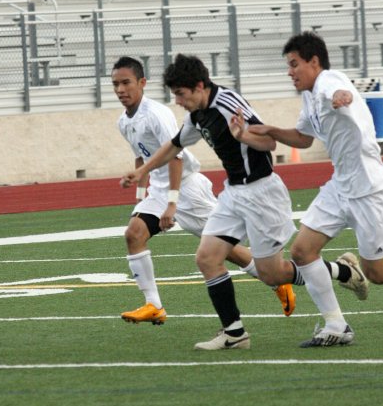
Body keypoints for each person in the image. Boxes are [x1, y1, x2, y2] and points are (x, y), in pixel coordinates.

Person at [120, 53, 365, 349]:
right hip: (234, 193)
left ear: (198, 86)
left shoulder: (227, 103)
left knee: (271, 273)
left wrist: (243, 136)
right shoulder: (197, 115)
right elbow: (174, 145)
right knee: (207, 257)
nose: (179, 102)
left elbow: (269, 143)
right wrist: (142, 171)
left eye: (182, 95)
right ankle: (234, 334)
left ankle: (343, 271)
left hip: (262, 193)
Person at [244, 31, 383, 347]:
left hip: (369, 190)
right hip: (341, 186)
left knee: (379, 273)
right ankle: (336, 325)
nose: (289, 72)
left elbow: (340, 91)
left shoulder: (328, 81)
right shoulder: (309, 96)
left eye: (294, 64)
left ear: (314, 61)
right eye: (288, 65)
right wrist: (269, 131)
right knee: (302, 250)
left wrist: (342, 97)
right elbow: (303, 138)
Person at [112, 56, 295, 325]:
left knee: (225, 250)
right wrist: (141, 192)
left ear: (141, 83)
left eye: (125, 83)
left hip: (187, 189)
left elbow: (176, 156)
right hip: (159, 190)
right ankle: (154, 305)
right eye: (115, 84)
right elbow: (141, 156)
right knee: (134, 234)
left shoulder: (157, 114)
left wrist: (172, 203)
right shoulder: (124, 122)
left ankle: (276, 282)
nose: (120, 90)